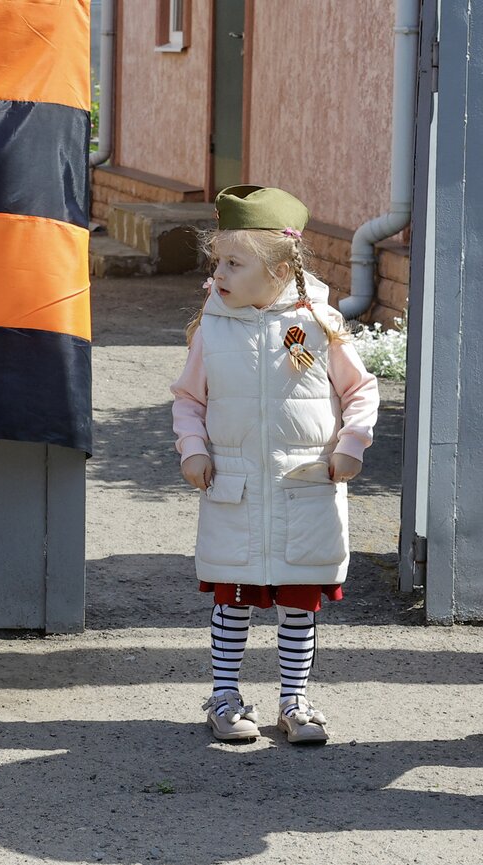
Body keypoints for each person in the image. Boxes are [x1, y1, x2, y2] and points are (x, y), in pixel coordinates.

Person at [170, 186, 379, 745]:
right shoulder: (212, 329)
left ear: (281, 268)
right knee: (232, 602)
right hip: (233, 490)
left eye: (234, 263)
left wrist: (351, 444)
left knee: (297, 604)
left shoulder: (317, 326)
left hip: (303, 490)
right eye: (218, 262)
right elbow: (189, 400)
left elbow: (359, 389)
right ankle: (224, 696)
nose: (220, 274)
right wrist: (193, 448)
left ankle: (295, 702)